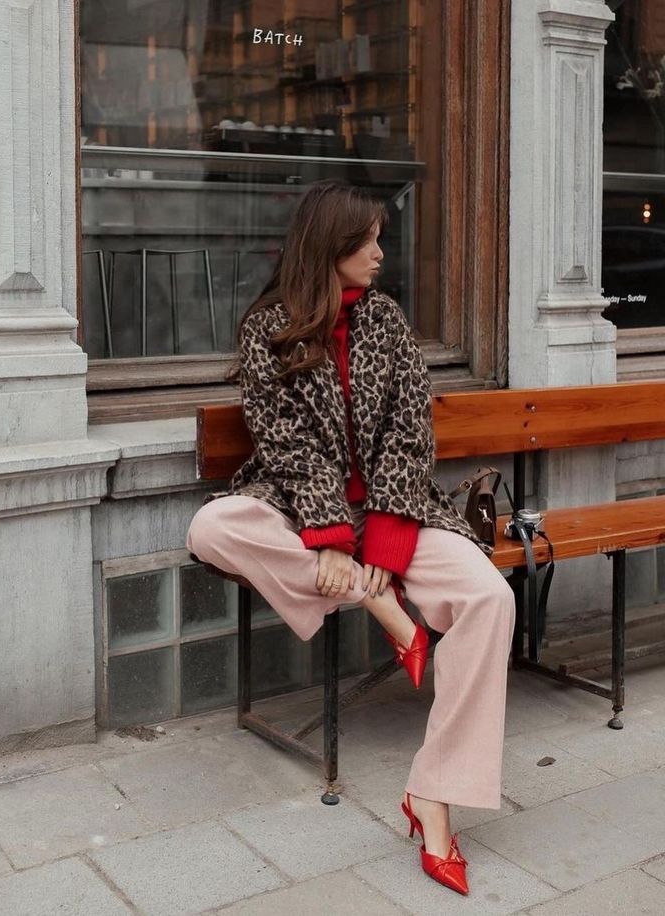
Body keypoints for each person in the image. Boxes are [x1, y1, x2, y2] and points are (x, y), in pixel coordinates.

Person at [187, 180, 515, 897]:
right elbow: (285, 445)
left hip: (397, 513)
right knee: (212, 526)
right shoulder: (269, 326)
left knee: (490, 598)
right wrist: (330, 536)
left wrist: (378, 550)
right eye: (366, 240)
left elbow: (409, 438)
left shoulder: (388, 322)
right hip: (303, 511)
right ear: (329, 245)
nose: (379, 252)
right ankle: (384, 607)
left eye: (380, 239)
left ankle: (434, 793)